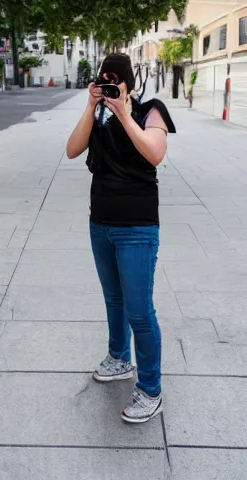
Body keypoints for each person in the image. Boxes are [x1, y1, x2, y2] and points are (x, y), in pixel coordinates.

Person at [66, 53, 176, 424]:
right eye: (104, 80)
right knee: (114, 300)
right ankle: (118, 358)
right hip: (101, 223)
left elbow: (155, 153)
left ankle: (150, 389)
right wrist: (91, 105)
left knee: (140, 311)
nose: (110, 86)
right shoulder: (98, 116)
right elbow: (72, 149)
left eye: (116, 81)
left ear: (129, 82)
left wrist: (124, 111)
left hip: (137, 228)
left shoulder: (151, 111)